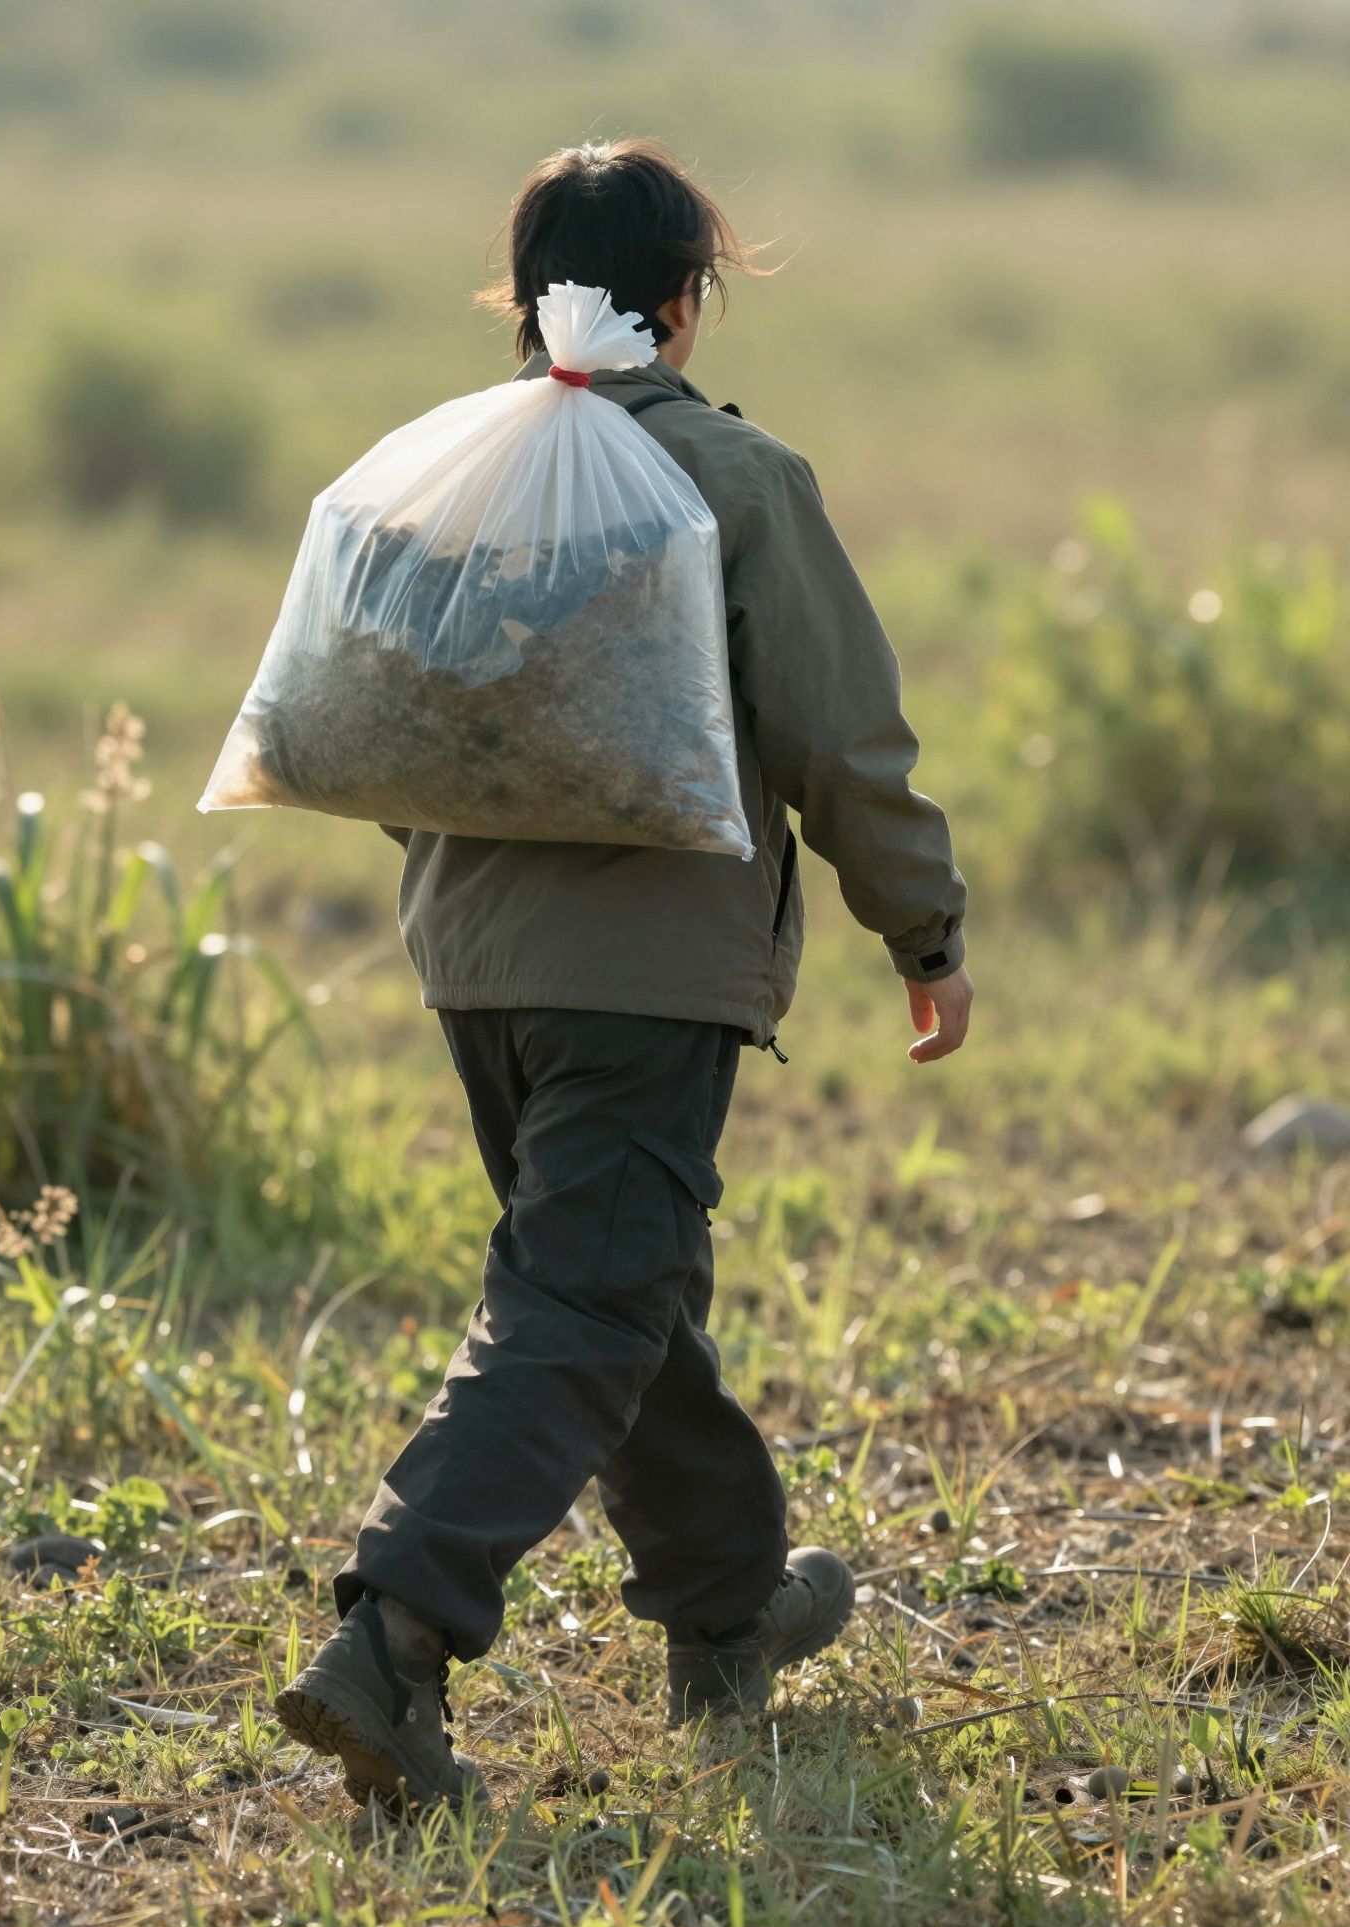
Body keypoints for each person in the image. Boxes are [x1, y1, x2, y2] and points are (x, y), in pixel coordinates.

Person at [276, 139, 972, 1807]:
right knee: (584, 1300)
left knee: (615, 1288)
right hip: (648, 984)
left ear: (518, 302)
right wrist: (923, 927)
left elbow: (372, 730)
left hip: (472, 969)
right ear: (685, 301)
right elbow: (839, 739)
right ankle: (390, 1642)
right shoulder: (733, 481)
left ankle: (728, 1607)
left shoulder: (451, 476)